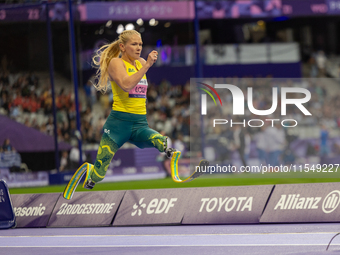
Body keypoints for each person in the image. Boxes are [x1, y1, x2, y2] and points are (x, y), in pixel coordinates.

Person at [80, 30, 177, 189]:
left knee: (159, 140)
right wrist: (147, 66)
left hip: (139, 123)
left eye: (140, 44)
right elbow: (126, 85)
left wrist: (144, 65)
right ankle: (91, 175)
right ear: (122, 47)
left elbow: (139, 92)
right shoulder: (116, 63)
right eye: (134, 44)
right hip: (118, 124)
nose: (138, 48)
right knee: (100, 172)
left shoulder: (140, 63)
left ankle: (169, 152)